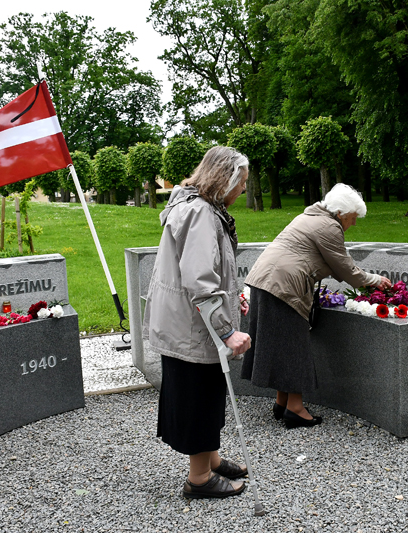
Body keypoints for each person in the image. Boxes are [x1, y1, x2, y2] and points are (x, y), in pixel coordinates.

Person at [142, 146, 252, 499]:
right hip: (192, 327)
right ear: (225, 179)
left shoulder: (199, 206)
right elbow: (200, 281)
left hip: (187, 321)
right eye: (242, 181)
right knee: (200, 399)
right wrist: (227, 330)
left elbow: (209, 273)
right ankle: (199, 478)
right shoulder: (201, 213)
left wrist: (232, 298)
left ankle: (211, 459)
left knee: (206, 395)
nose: (244, 189)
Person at [241, 183, 391, 429]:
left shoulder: (310, 217)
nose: (354, 223)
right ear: (341, 213)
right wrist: (374, 281)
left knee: (281, 344)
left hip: (266, 282)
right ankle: (295, 409)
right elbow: (345, 267)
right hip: (283, 287)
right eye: (353, 217)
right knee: (294, 346)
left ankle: (282, 401)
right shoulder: (329, 226)